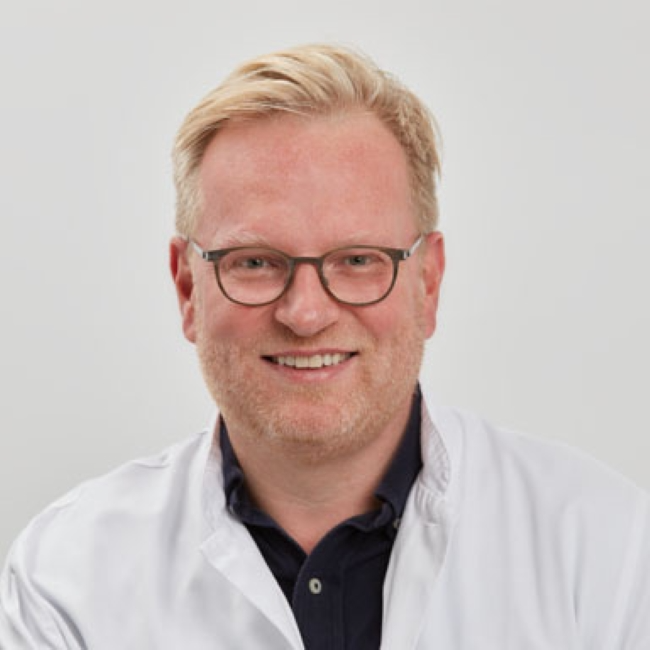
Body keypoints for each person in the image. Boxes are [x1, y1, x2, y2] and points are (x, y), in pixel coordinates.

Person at [1, 43, 648, 650]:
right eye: (255, 262)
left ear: (428, 282)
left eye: (358, 259)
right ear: (187, 289)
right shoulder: (66, 578)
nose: (306, 314)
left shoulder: (605, 548)